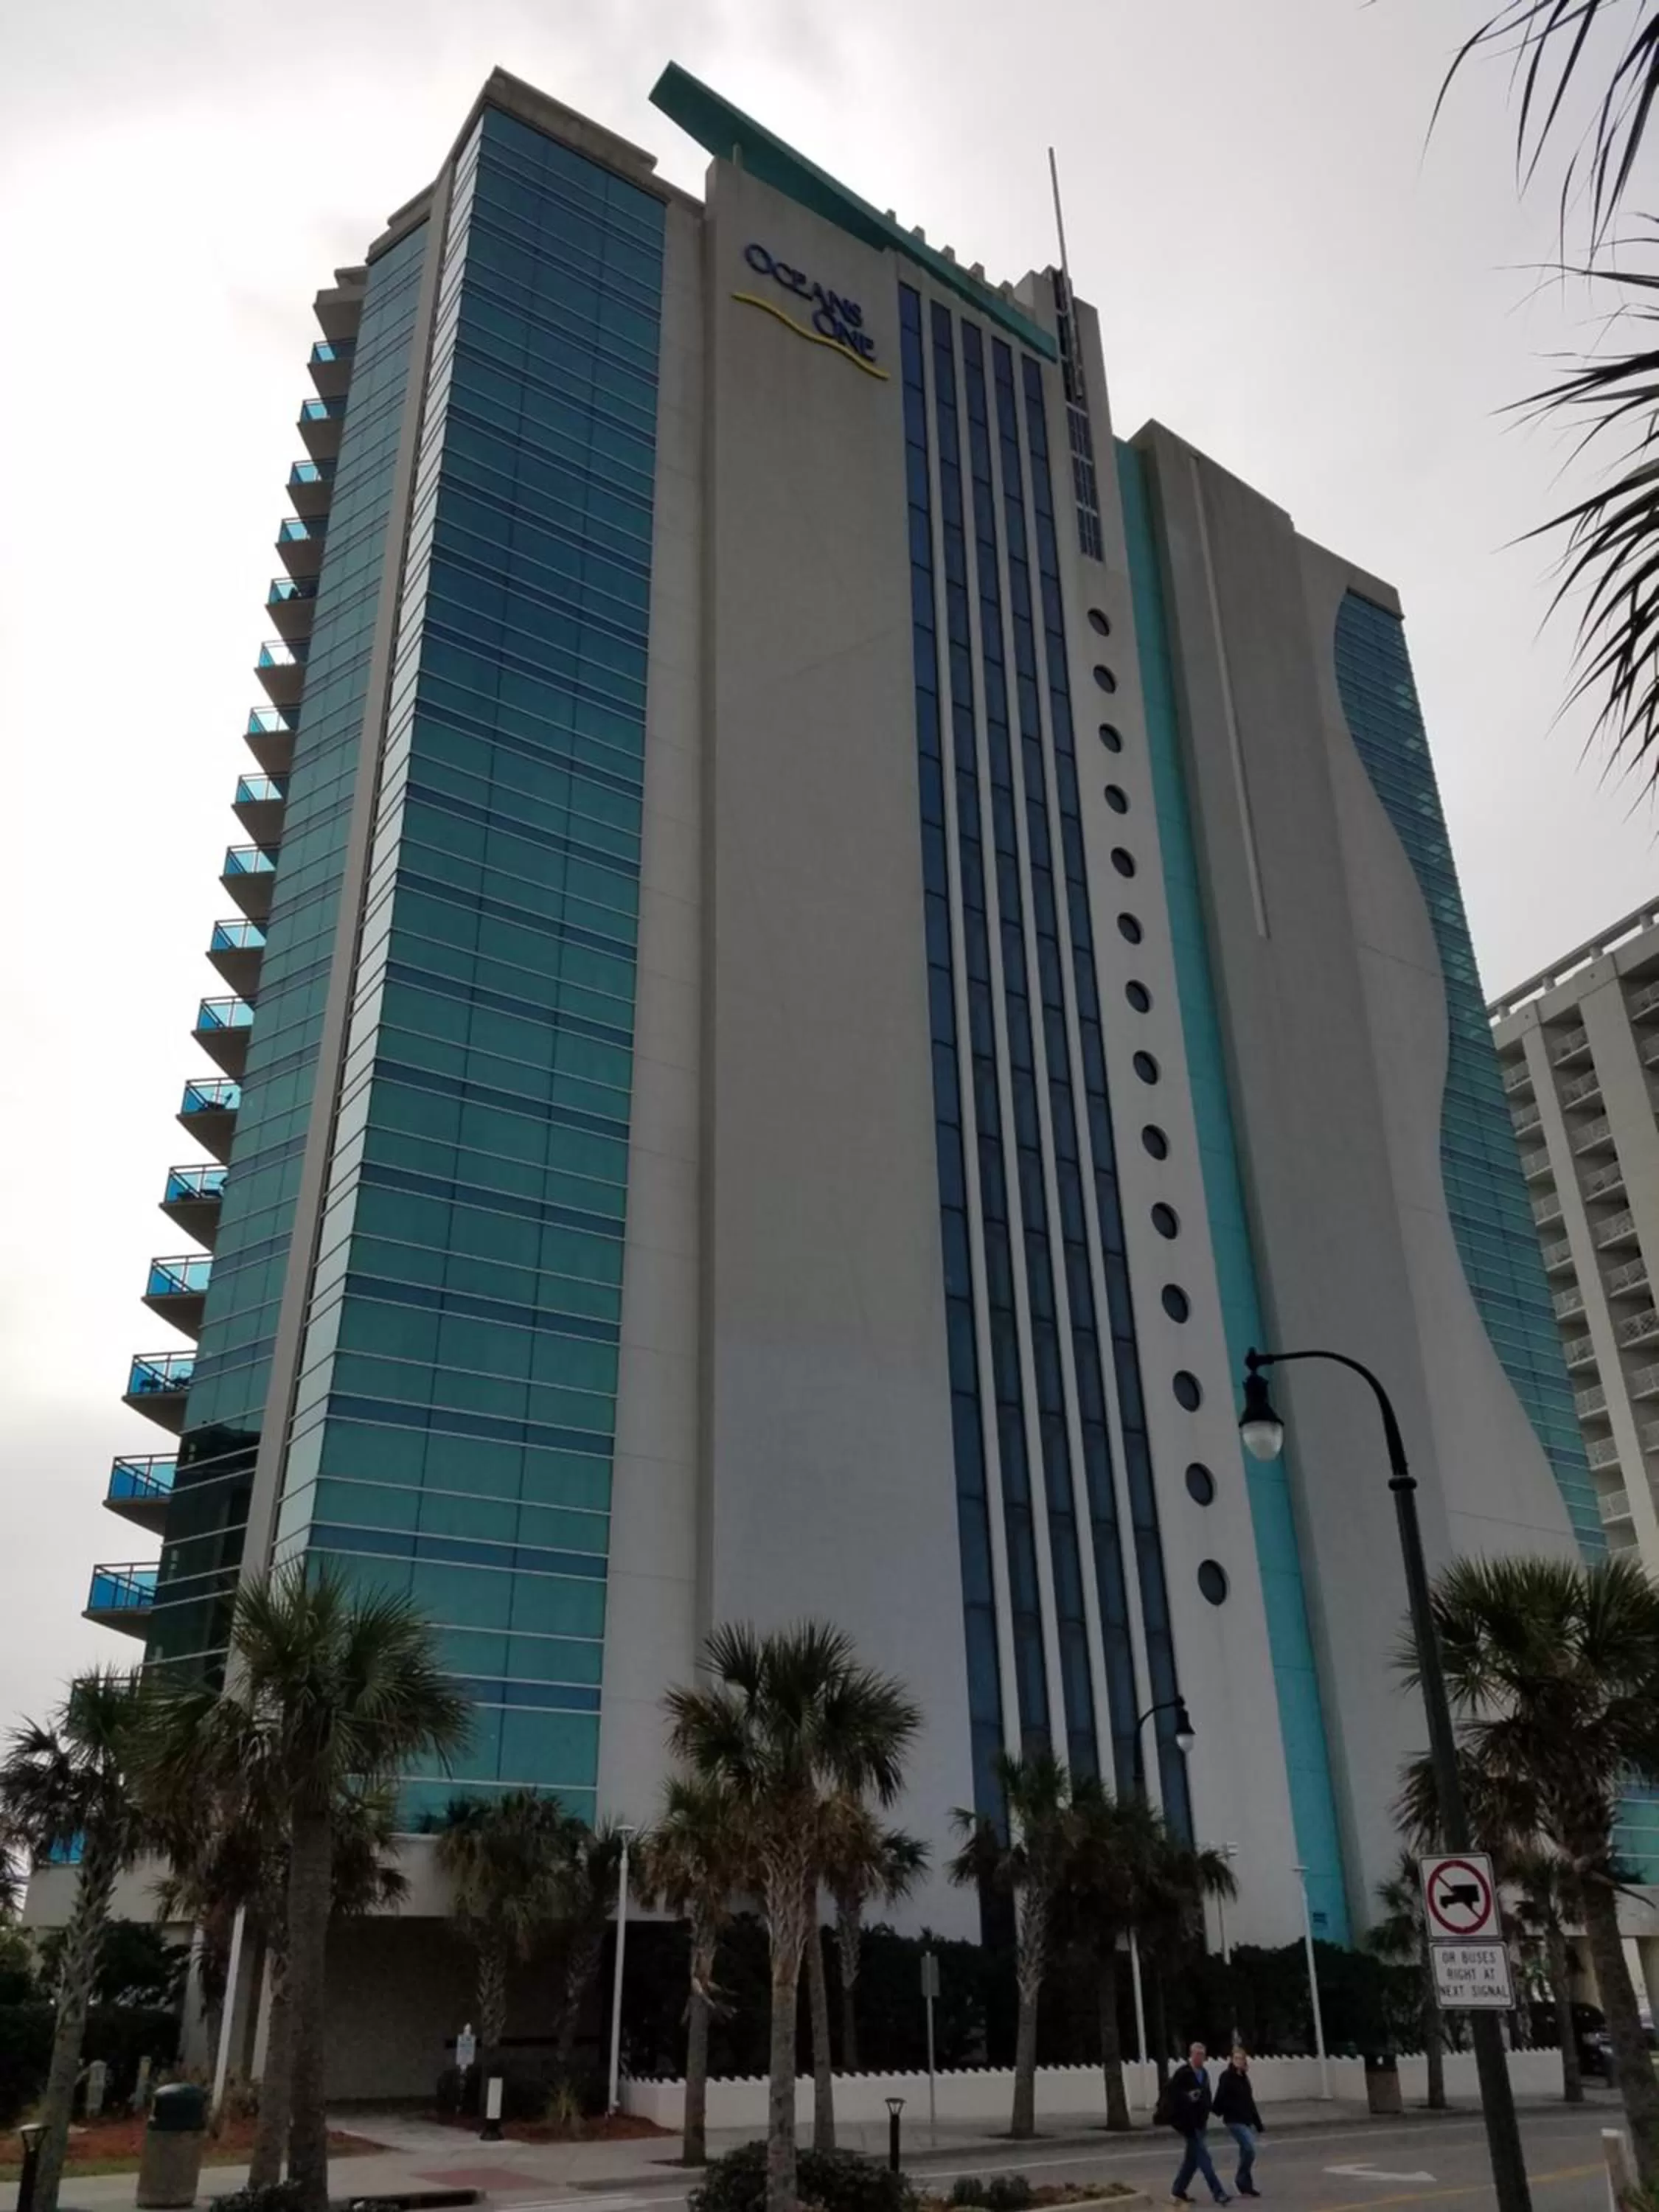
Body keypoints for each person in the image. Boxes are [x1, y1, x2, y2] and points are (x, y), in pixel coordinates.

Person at [1166, 2040, 1231, 2205]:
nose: (1201, 2058)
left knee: (1192, 2160)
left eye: (1203, 2055)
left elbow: (1207, 2095)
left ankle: (1178, 2189)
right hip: (1187, 2123)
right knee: (1204, 2158)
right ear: (1191, 2054)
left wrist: (1209, 2109)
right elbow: (1172, 2095)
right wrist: (1187, 2097)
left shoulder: (1204, 2074)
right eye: (1198, 2055)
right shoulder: (1183, 2073)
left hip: (1200, 2122)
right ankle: (1219, 2193)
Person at [1213, 2045, 1265, 2198]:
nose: (1239, 2061)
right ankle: (1240, 2180)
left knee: (1245, 2152)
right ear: (1231, 2060)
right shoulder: (1227, 2076)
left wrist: (1258, 2123)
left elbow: (1250, 2101)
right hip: (1233, 2120)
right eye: (1236, 2058)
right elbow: (1220, 2095)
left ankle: (1246, 2186)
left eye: (1241, 2059)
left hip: (1246, 2119)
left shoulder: (1244, 2078)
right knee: (1249, 2149)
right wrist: (1216, 2110)